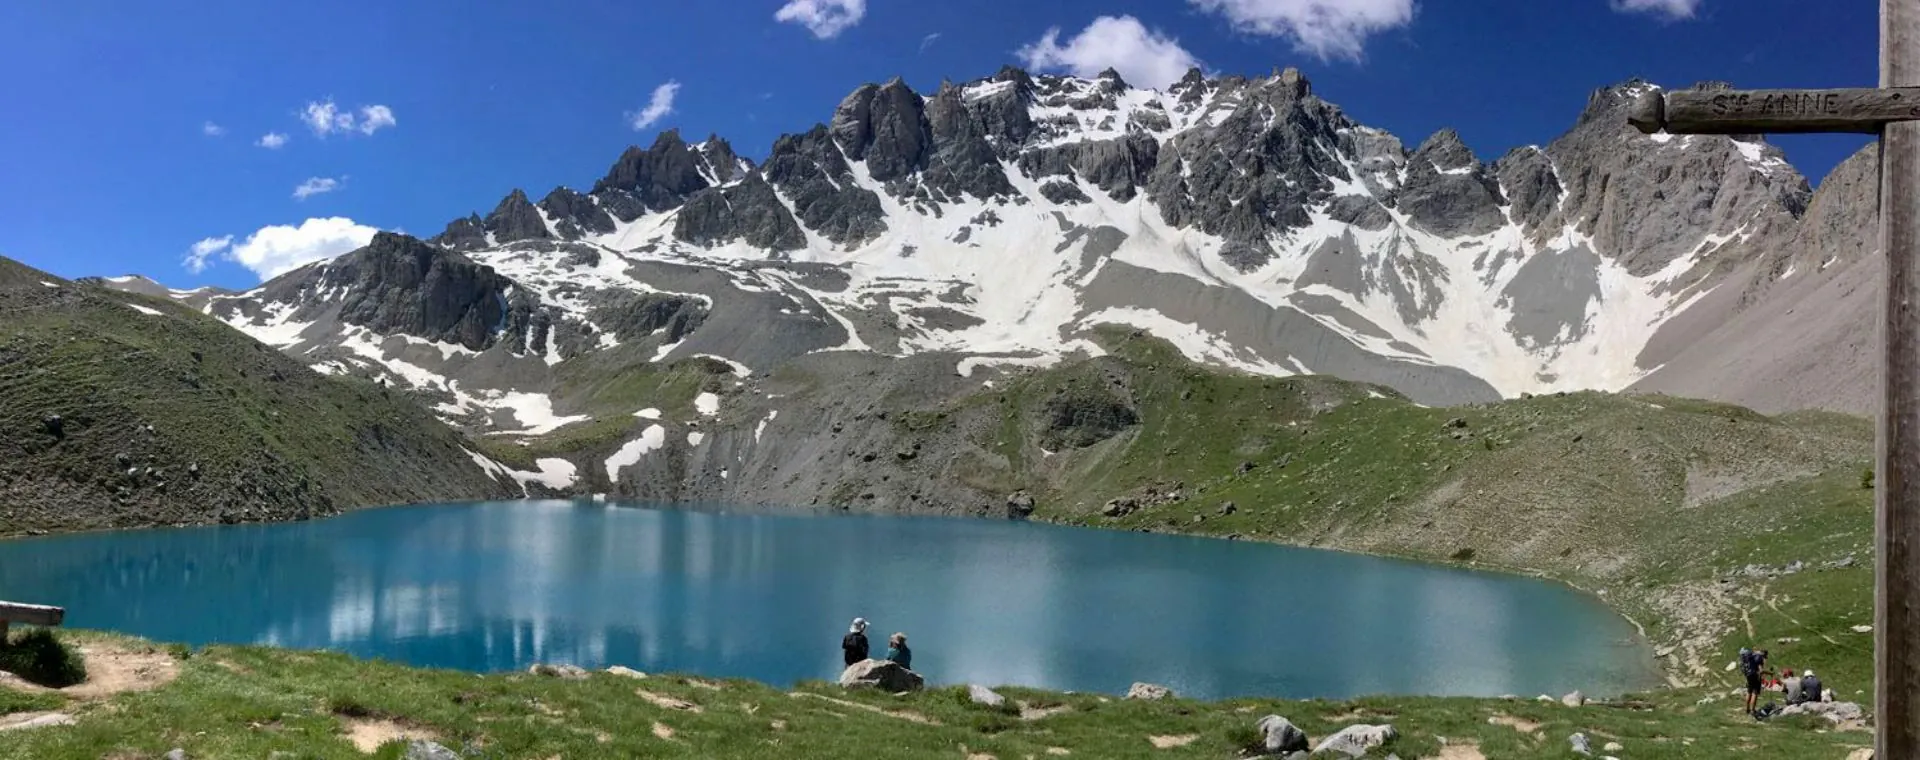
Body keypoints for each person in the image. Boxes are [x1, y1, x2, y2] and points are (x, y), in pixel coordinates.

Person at [1741, 647, 1769, 714]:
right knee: (1755, 693)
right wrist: (1770, 673)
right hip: (1755, 676)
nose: (1765, 658)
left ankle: (1747, 709)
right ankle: (1753, 710)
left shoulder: (1752, 655)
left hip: (1748, 675)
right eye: (1765, 656)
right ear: (1763, 654)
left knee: (1749, 691)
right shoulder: (1759, 657)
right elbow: (1761, 671)